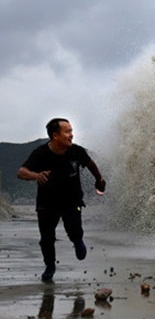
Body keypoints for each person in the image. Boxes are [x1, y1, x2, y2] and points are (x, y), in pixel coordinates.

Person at [17, 118, 106, 282]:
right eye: (67, 131)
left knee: (74, 230)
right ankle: (50, 266)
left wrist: (99, 179)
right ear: (55, 135)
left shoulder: (76, 151)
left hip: (72, 201)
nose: (71, 135)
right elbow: (21, 172)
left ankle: (77, 240)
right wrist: (36, 175)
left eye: (71, 131)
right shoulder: (41, 153)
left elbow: (91, 164)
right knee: (46, 238)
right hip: (46, 203)